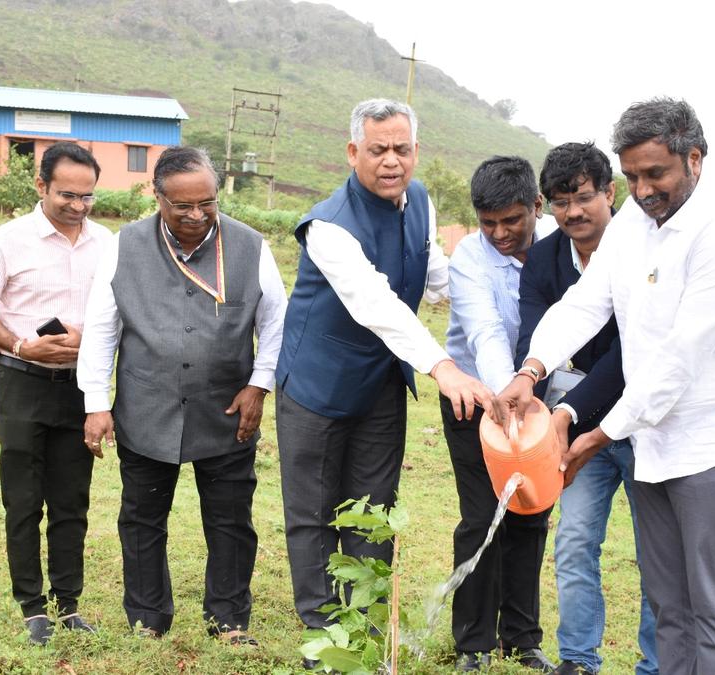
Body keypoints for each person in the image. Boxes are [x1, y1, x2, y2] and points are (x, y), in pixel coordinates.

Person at [494, 98, 715, 675]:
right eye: (632, 176)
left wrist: (597, 434)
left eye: (655, 173)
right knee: (670, 603)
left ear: (695, 158)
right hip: (658, 435)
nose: (641, 191)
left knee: (713, 602)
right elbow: (585, 303)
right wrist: (529, 371)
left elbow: (680, 355)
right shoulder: (634, 226)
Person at [274, 99, 494, 650]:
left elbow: (437, 276)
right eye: (378, 150)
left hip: (380, 386)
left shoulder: (419, 202)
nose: (391, 160)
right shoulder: (327, 226)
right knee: (314, 513)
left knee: (374, 511)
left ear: (416, 151)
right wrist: (443, 367)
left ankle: (366, 629)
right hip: (317, 386)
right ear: (354, 152)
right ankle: (324, 636)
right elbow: (376, 303)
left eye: (401, 148)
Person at [76, 146, 286, 645]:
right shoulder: (125, 245)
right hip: (146, 408)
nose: (196, 215)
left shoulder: (250, 246)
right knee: (141, 518)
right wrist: (96, 403)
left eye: (207, 204)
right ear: (158, 198)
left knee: (231, 521)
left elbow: (277, 321)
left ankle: (229, 621)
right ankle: (147, 619)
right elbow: (102, 328)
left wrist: (259, 384)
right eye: (183, 206)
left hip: (228, 411)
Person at [0, 142, 111, 645]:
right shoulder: (9, 240)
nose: (78, 205)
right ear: (41, 185)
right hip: (21, 382)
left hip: (81, 387)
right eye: (67, 194)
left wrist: (88, 339)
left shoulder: (107, 244)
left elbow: (120, 313)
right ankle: (32, 608)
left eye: (87, 196)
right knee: (23, 500)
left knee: (72, 501)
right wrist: (23, 345)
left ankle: (68, 606)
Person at [514, 142, 657, 675]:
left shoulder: (643, 248)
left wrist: (568, 410)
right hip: (576, 433)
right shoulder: (544, 259)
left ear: (609, 193)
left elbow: (628, 356)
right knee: (574, 542)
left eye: (583, 197)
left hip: (644, 424)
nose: (573, 212)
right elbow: (538, 335)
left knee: (656, 554)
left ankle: (656, 664)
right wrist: (529, 384)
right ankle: (577, 659)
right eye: (560, 202)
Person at [441, 156, 555, 672]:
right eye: (488, 223)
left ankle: (522, 639)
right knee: (482, 515)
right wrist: (506, 396)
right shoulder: (470, 255)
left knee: (531, 513)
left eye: (511, 220)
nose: (500, 234)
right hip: (475, 400)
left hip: (539, 403)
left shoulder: (559, 247)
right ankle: (473, 644)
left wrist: (528, 394)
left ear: (536, 205)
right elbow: (485, 331)